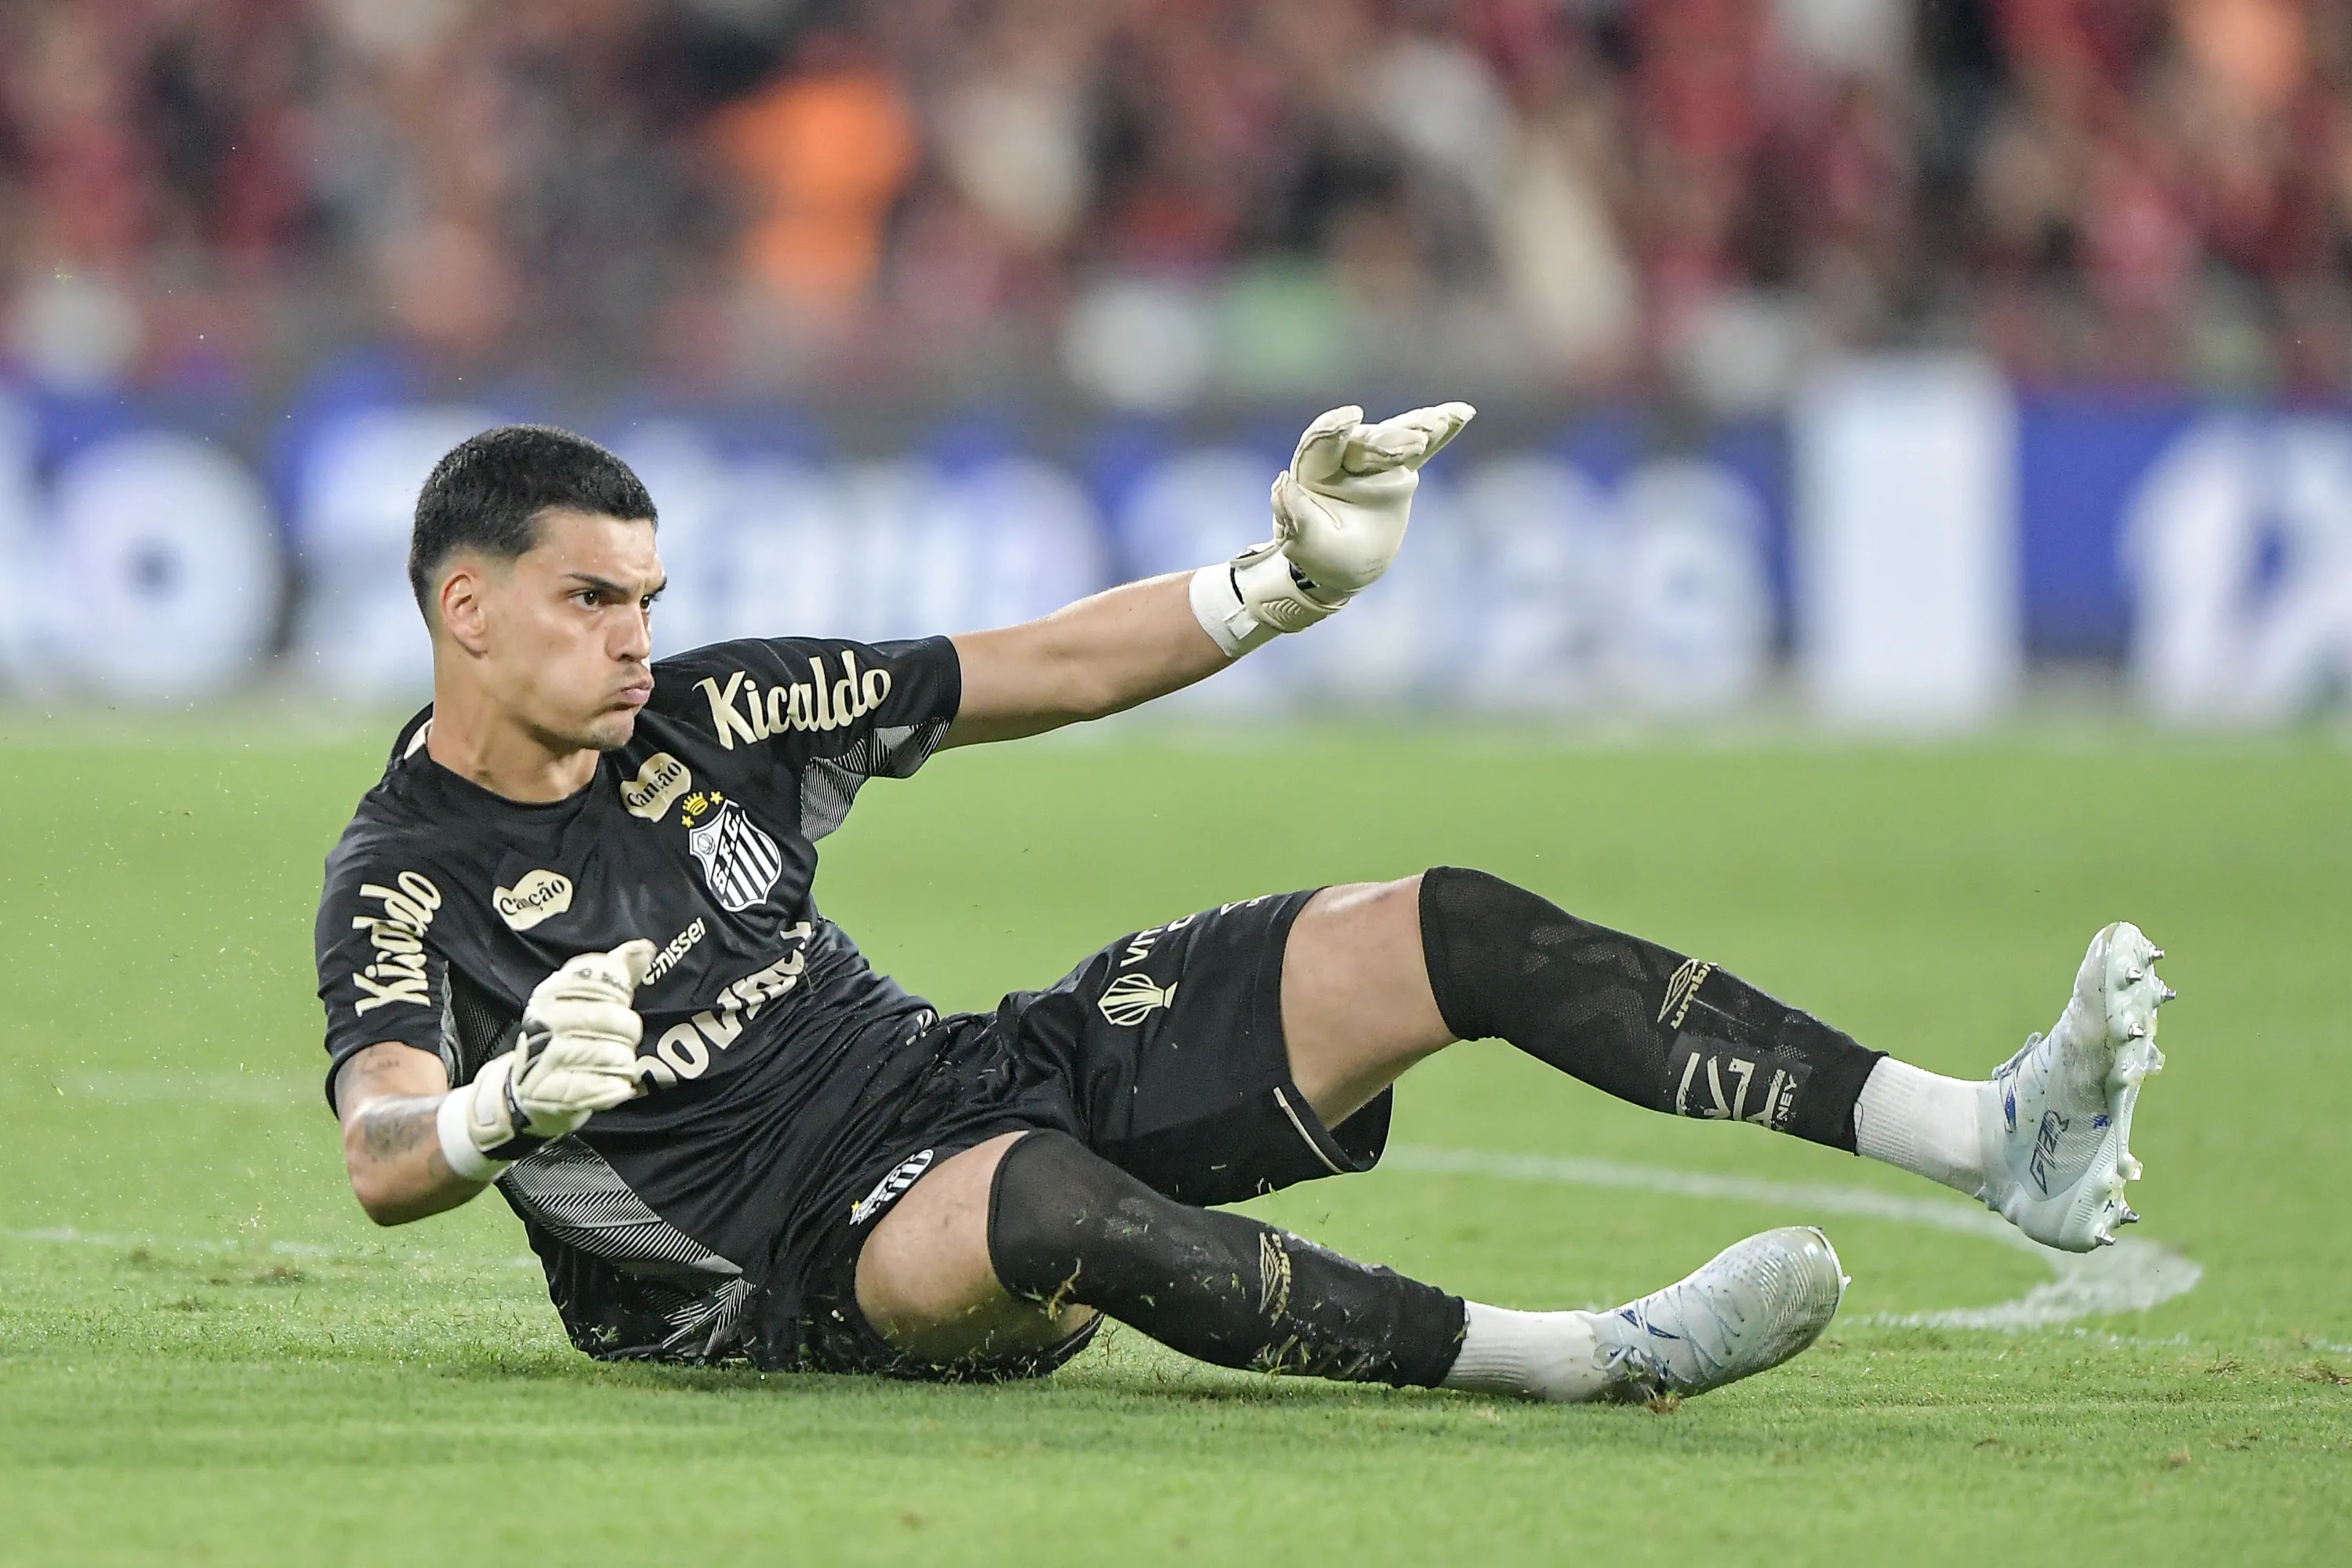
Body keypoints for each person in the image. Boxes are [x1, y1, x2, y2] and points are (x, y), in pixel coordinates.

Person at [317, 409, 2173, 1403]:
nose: (638, 633)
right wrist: (489, 1113)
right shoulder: (403, 876)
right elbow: (384, 1144)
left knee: (1440, 925)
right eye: (590, 602)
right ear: (465, 612)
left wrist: (1274, 583)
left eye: (650, 592)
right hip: (783, 1273)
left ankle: (1990, 1134)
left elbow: (1034, 664)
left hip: (961, 1078)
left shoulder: (719, 711)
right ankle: (1583, 1359)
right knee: (1043, 1202)